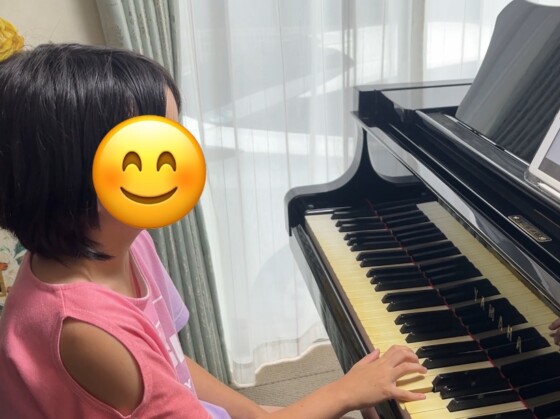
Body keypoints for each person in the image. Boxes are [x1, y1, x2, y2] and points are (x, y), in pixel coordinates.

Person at [0, 26, 425, 419]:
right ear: (77, 175)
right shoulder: (86, 330)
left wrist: (260, 414)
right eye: (159, 147)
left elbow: (171, 362)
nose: (186, 158)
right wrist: (343, 393)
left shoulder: (125, 242)